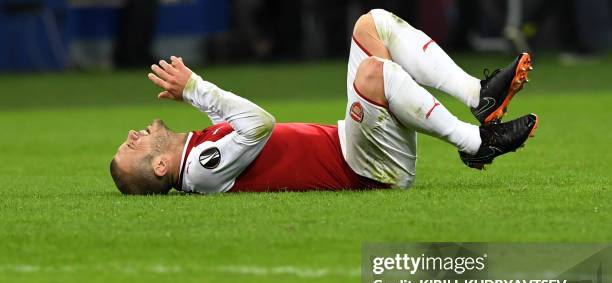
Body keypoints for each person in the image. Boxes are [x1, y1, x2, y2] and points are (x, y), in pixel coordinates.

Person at [110, 8, 538, 195]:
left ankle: (476, 96)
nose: (132, 135)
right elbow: (258, 123)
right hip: (367, 168)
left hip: (356, 145)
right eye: (132, 147)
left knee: (373, 25)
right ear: (161, 168)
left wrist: (196, 98)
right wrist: (195, 88)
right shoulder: (201, 170)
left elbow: (238, 132)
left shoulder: (196, 155)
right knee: (375, 72)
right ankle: (477, 143)